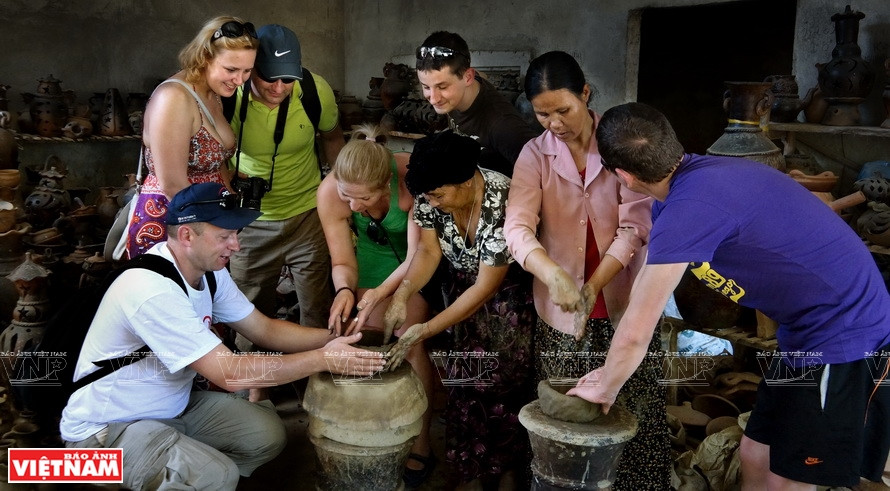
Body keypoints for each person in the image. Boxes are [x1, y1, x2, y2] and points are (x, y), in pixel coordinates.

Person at [571, 101, 890, 490]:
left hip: (845, 335)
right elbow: (649, 287)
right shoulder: (681, 193)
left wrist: (606, 387)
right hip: (805, 331)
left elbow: (640, 323)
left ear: (622, 175)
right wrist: (609, 372)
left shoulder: (693, 204)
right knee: (756, 454)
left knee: (790, 477)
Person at [61, 182, 385, 490]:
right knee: (218, 475)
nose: (237, 245)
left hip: (169, 411)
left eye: (236, 233)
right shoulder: (151, 289)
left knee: (266, 434)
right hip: (103, 435)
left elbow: (266, 329)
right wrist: (323, 360)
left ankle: (180, 473)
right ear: (187, 234)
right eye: (225, 235)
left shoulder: (210, 273)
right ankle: (92, 472)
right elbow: (230, 374)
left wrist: (336, 338)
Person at [503, 51, 667, 490]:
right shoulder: (534, 156)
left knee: (634, 411)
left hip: (624, 304)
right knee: (568, 420)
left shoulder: (619, 144)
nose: (554, 123)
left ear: (586, 95)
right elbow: (517, 228)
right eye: (542, 114)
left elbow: (635, 228)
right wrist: (552, 274)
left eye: (564, 110)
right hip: (561, 316)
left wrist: (593, 283)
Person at [384, 130, 536, 490]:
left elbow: (487, 286)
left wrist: (426, 329)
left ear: (467, 181)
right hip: (459, 288)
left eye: (438, 195)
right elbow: (428, 252)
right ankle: (471, 469)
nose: (432, 203)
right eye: (427, 197)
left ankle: (505, 473)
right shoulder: (430, 191)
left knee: (501, 383)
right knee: (463, 382)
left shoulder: (502, 198)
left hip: (506, 300)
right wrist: (402, 293)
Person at [316, 124, 436, 487]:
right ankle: (362, 427)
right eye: (346, 197)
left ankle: (421, 439)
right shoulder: (330, 193)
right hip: (367, 268)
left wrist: (381, 296)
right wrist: (344, 292)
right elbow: (342, 260)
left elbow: (418, 255)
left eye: (362, 200)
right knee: (351, 332)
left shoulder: (411, 178)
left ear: (384, 183)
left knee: (407, 339)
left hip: (413, 270)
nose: (353, 207)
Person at [226, 23, 343, 332]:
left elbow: (332, 139)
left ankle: (315, 378)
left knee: (318, 311)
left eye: (288, 79)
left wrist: (343, 188)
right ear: (252, 70)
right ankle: (257, 378)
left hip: (308, 216)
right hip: (250, 221)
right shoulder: (229, 97)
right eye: (269, 77)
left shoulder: (316, 91)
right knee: (249, 317)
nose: (278, 88)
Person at [127, 16, 258, 258]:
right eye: (231, 69)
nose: (239, 81)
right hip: (174, 225)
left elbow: (217, 163)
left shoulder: (212, 93)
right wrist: (214, 231)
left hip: (209, 223)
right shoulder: (174, 98)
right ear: (205, 57)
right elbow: (173, 185)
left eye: (246, 71)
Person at [415, 31, 541, 177]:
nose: (434, 99)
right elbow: (481, 75)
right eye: (426, 87)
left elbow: (543, 173)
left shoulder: (503, 125)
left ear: (468, 77)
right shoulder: (460, 92)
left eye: (442, 87)